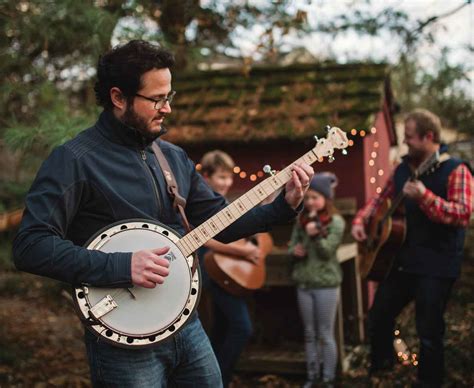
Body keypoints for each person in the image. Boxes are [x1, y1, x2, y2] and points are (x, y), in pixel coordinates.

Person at [12, 40, 314, 388]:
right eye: (157, 99)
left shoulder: (172, 157)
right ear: (118, 97)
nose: (167, 108)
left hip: (188, 326)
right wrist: (122, 266)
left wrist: (283, 205)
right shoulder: (74, 160)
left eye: (169, 97)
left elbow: (221, 221)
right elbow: (30, 245)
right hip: (123, 338)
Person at [351, 109, 473, 387]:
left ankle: (429, 382)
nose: (405, 143)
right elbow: (380, 199)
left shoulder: (457, 170)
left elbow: (463, 215)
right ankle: (383, 370)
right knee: (378, 316)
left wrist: (425, 197)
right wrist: (362, 220)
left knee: (428, 332)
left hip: (437, 265)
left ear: (429, 136)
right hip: (402, 261)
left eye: (409, 137)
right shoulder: (402, 169)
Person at [197, 150, 261, 387]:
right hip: (212, 271)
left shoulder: (223, 202)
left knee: (223, 327)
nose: (227, 182)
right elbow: (203, 238)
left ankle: (213, 378)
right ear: (206, 177)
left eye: (229, 177)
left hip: (227, 270)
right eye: (221, 177)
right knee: (241, 327)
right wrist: (243, 252)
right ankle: (218, 378)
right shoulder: (201, 200)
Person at [288, 172, 345, 388]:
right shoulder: (300, 221)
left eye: (315, 197)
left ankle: (328, 378)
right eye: (308, 197)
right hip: (304, 282)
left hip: (326, 284)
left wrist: (316, 235)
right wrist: (296, 251)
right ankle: (312, 375)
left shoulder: (336, 222)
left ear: (326, 199)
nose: (311, 201)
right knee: (310, 333)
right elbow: (292, 246)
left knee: (325, 333)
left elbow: (327, 252)